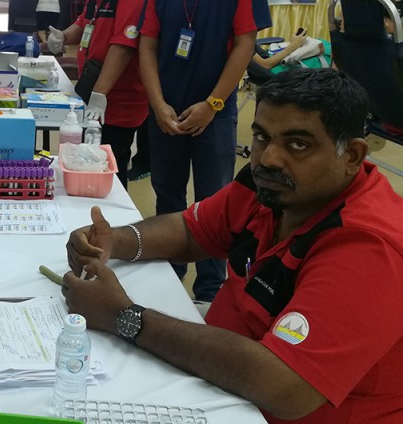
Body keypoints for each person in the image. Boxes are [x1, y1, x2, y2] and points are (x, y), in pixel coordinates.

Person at [62, 68, 403, 423]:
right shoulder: (273, 188)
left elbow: (285, 387)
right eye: (262, 137)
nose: (268, 159)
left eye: (298, 144)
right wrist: (115, 241)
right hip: (221, 383)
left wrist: (124, 317)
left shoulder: (370, 248)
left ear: (352, 155)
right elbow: (192, 231)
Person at [138, 0, 272, 302]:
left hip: (214, 113)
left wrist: (213, 105)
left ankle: (210, 290)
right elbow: (147, 46)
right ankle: (169, 276)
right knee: (168, 195)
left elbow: (245, 44)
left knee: (215, 202)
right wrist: (158, 105)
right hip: (166, 112)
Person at [47, 0, 149, 189]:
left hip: (118, 99)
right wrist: (63, 36)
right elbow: (85, 22)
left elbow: (124, 45)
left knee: (110, 167)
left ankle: (112, 215)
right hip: (92, 88)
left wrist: (99, 95)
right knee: (88, 161)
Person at [128, 0, 183, 182]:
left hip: (165, 42)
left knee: (157, 102)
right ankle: (142, 158)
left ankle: (147, 161)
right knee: (142, 99)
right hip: (140, 39)